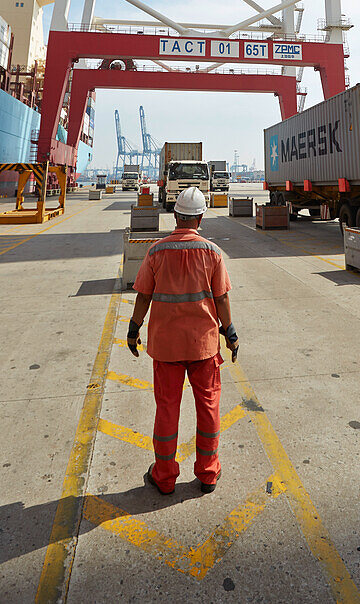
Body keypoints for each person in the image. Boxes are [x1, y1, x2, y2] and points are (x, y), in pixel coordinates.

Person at [128, 187, 239, 496]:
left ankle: (164, 477)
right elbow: (222, 298)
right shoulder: (213, 253)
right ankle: (207, 473)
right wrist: (230, 334)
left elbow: (143, 295)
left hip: (166, 348)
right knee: (208, 407)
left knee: (166, 409)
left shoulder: (156, 251)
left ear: (175, 216)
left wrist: (133, 329)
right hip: (203, 347)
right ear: (200, 219)